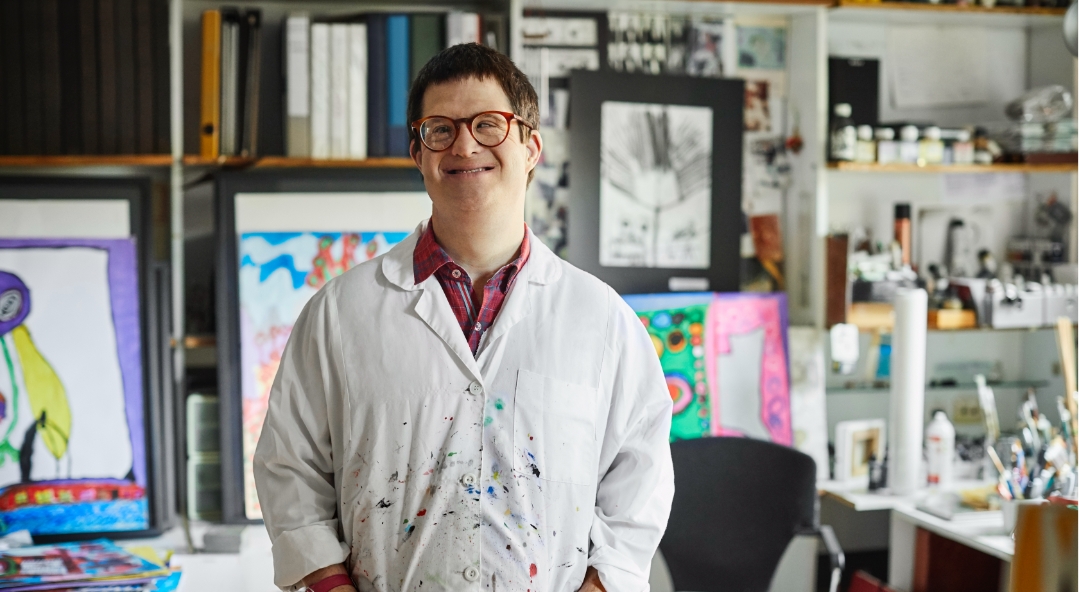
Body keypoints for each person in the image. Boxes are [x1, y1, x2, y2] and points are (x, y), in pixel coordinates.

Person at [254, 43, 674, 592]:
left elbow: (638, 480)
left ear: (531, 147)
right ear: (418, 151)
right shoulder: (338, 313)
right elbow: (290, 467)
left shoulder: (603, 320)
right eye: (440, 129)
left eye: (488, 124)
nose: (464, 144)